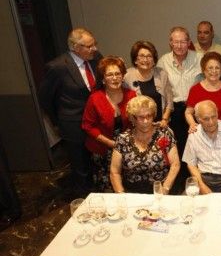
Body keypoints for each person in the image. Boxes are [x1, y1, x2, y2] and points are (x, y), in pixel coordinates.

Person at [38, 28, 102, 195]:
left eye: (94, 44)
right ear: (75, 47)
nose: (94, 48)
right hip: (74, 124)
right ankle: (85, 198)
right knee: (81, 166)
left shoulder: (96, 59)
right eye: (90, 46)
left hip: (96, 121)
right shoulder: (57, 67)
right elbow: (45, 98)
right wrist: (59, 121)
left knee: (98, 161)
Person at [156, 26, 202, 193]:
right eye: (176, 42)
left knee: (195, 146)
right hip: (174, 110)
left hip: (194, 110)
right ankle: (178, 183)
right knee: (176, 147)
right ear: (170, 43)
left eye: (183, 41)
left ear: (189, 42)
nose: (180, 45)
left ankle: (195, 182)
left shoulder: (199, 58)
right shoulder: (163, 61)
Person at [81, 57, 136, 191]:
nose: (114, 78)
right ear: (103, 79)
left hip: (125, 148)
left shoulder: (131, 95)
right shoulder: (95, 98)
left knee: (126, 185)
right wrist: (110, 143)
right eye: (110, 74)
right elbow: (87, 126)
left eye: (118, 74)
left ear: (123, 76)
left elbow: (135, 121)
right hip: (101, 149)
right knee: (107, 188)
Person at [110, 96, 180, 194]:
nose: (146, 121)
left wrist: (165, 189)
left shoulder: (164, 133)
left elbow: (175, 165)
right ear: (132, 118)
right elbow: (114, 172)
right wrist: (121, 194)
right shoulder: (123, 139)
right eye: (141, 117)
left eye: (149, 116)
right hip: (131, 193)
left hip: (160, 190)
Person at [185, 52, 221, 133]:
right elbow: (188, 113)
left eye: (217, 68)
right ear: (204, 70)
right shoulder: (195, 90)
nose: (214, 71)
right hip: (204, 132)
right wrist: (192, 124)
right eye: (210, 68)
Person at [123, 40, 173, 126]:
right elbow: (126, 106)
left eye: (149, 56)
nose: (145, 59)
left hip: (160, 124)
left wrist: (165, 119)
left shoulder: (162, 74)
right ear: (135, 60)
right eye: (142, 56)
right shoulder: (127, 76)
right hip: (138, 126)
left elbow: (169, 102)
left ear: (154, 60)